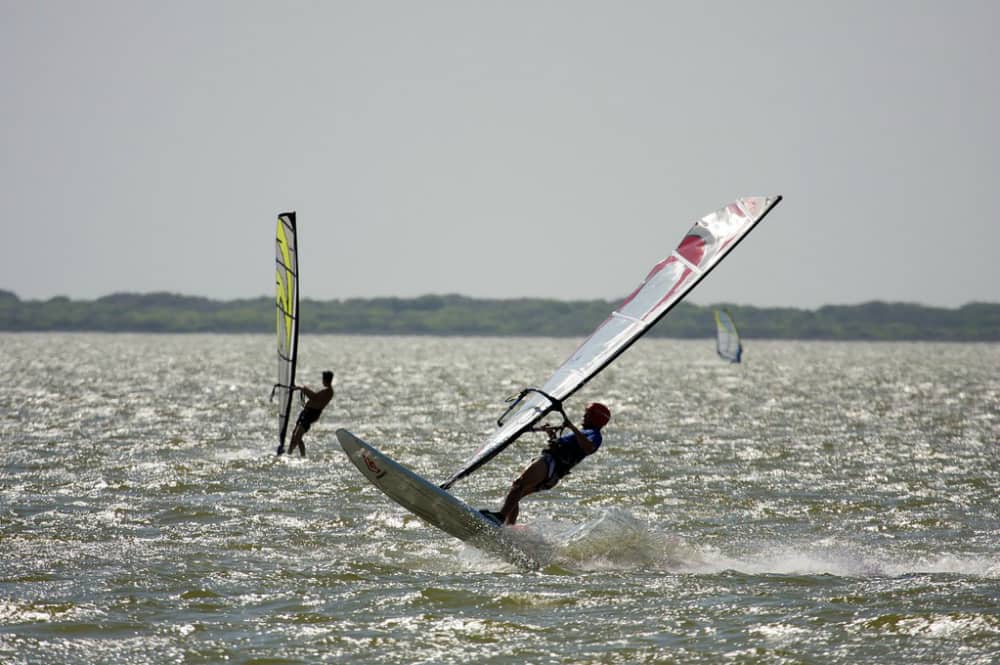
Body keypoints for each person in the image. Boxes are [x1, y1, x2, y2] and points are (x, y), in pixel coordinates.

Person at [484, 402, 611, 526]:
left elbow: (589, 448)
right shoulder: (583, 432)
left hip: (551, 465)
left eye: (588, 414)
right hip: (552, 471)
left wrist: (572, 427)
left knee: (518, 485)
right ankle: (509, 527)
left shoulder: (594, 435)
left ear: (596, 418)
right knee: (517, 492)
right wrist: (552, 436)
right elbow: (563, 448)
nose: (584, 416)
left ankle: (499, 518)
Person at [284, 370, 335, 457]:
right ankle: (290, 453)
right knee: (294, 435)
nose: (322, 381)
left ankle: (302, 456)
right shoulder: (326, 391)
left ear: (326, 380)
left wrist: (302, 388)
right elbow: (314, 397)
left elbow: (314, 397)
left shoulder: (329, 392)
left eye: (323, 379)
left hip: (311, 415)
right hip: (306, 412)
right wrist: (301, 389)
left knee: (298, 436)